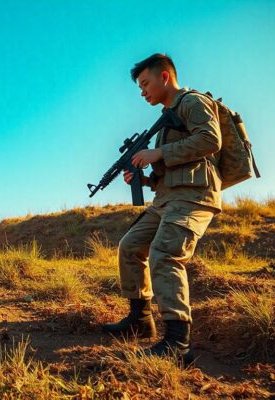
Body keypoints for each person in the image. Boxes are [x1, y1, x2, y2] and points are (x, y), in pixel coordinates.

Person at [101, 53, 222, 365]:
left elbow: (210, 140)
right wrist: (144, 176)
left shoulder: (193, 102)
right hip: (166, 199)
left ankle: (177, 344)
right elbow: (170, 168)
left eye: (145, 83)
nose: (142, 91)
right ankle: (140, 319)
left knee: (165, 253)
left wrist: (158, 152)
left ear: (164, 76)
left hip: (194, 197)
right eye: (139, 86)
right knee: (130, 245)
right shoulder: (163, 120)